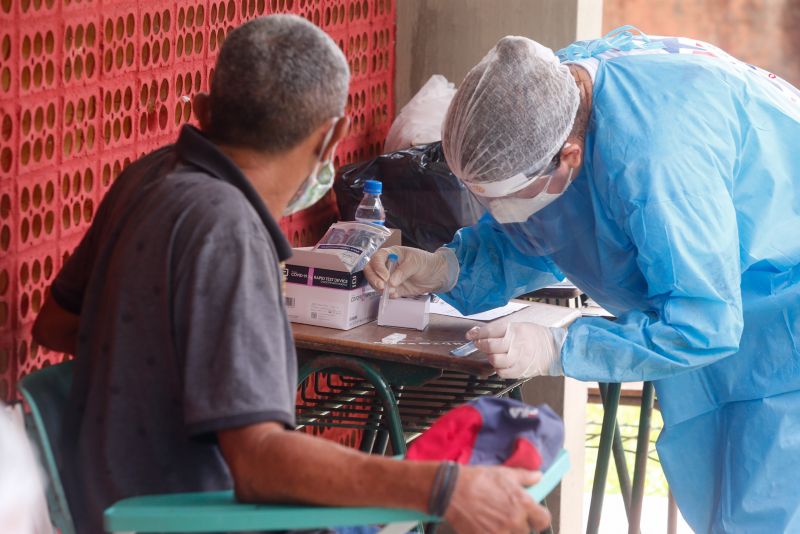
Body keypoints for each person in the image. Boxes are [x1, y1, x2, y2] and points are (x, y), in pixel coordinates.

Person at [32, 15, 551, 534]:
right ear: (333, 137)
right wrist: (441, 489)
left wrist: (174, 358)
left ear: (202, 110)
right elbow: (259, 463)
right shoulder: (228, 232)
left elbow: (54, 323)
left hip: (97, 499)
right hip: (177, 517)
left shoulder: (146, 176)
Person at [365, 27, 800, 533]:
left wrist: (560, 347)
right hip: (739, 309)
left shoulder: (661, 167)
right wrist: (447, 267)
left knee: (766, 512)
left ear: (568, 156)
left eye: (501, 196)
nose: (496, 212)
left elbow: (704, 323)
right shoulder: (552, 94)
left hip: (783, 331)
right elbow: (551, 219)